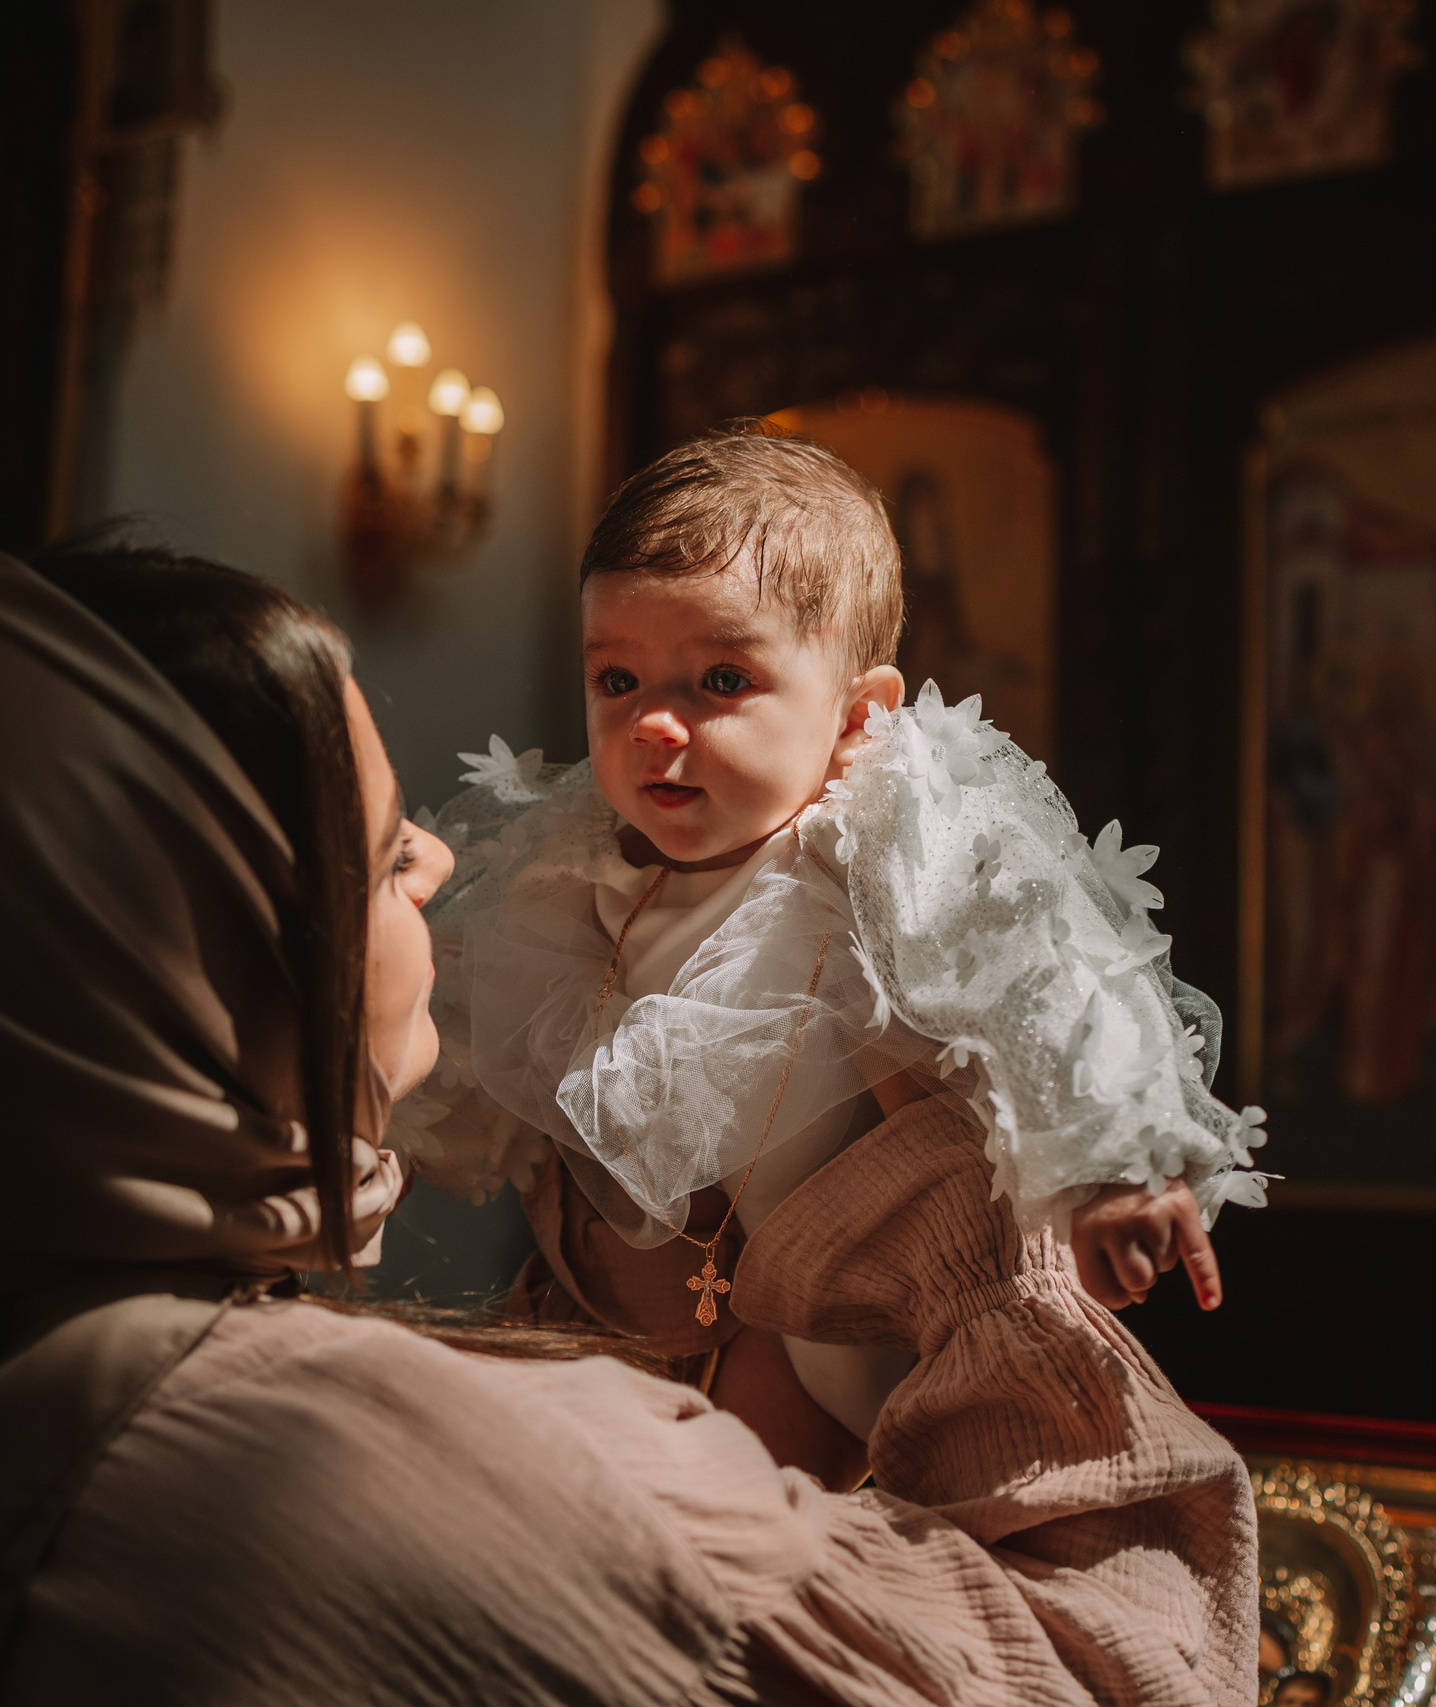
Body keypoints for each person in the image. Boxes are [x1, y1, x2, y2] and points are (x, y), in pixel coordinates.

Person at [0, 543, 1257, 1704]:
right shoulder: (420, 1482)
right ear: (212, 972)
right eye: (374, 861)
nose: (439, 861)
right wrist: (958, 1197)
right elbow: (1118, 1672)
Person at [391, 423, 1271, 1479]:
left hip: (839, 1296)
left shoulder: (882, 840)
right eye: (617, 681)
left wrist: (1114, 1166)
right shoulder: (578, 858)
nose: (654, 729)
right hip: (620, 1294)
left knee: (770, 1478)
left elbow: (1052, 971)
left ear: (859, 714)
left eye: (719, 682)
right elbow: (455, 1010)